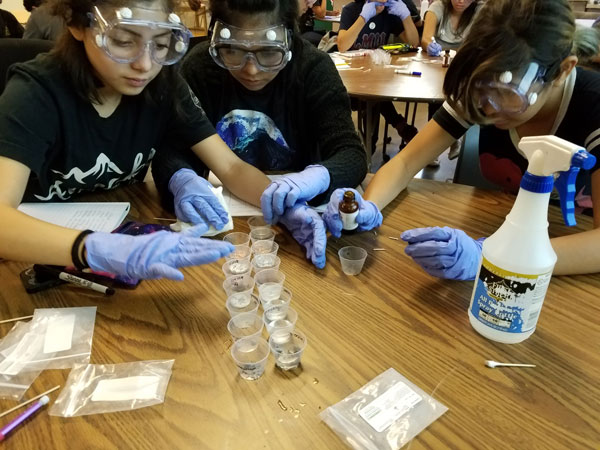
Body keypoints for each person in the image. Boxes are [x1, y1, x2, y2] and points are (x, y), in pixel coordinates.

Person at [0, 0, 281, 281]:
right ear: (76, 24)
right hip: (33, 261)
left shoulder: (164, 86)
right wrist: (91, 247)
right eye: (123, 42)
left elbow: (231, 168)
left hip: (123, 240)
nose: (145, 64)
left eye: (160, 45)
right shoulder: (35, 93)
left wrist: (282, 202)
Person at [324, 0, 600, 277]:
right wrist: (367, 208)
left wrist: (494, 258)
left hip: (565, 262)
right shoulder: (484, 90)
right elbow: (406, 163)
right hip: (498, 230)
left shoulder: (593, 106)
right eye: (481, 90)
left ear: (563, 70)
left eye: (509, 95)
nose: (489, 109)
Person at [156, 0, 368, 268]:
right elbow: (170, 150)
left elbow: (350, 153)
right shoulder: (200, 68)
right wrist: (180, 178)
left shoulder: (312, 69)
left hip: (295, 232)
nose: (251, 70)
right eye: (232, 51)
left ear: (289, 40)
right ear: (216, 38)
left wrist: (321, 176)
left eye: (269, 52)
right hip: (224, 234)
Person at [337, 0, 420, 150]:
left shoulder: (389, 12)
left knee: (376, 91)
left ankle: (372, 142)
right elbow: (342, 46)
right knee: (374, 96)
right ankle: (397, 124)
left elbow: (414, 43)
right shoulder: (352, 10)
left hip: (374, 77)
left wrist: (405, 16)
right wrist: (363, 17)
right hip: (351, 81)